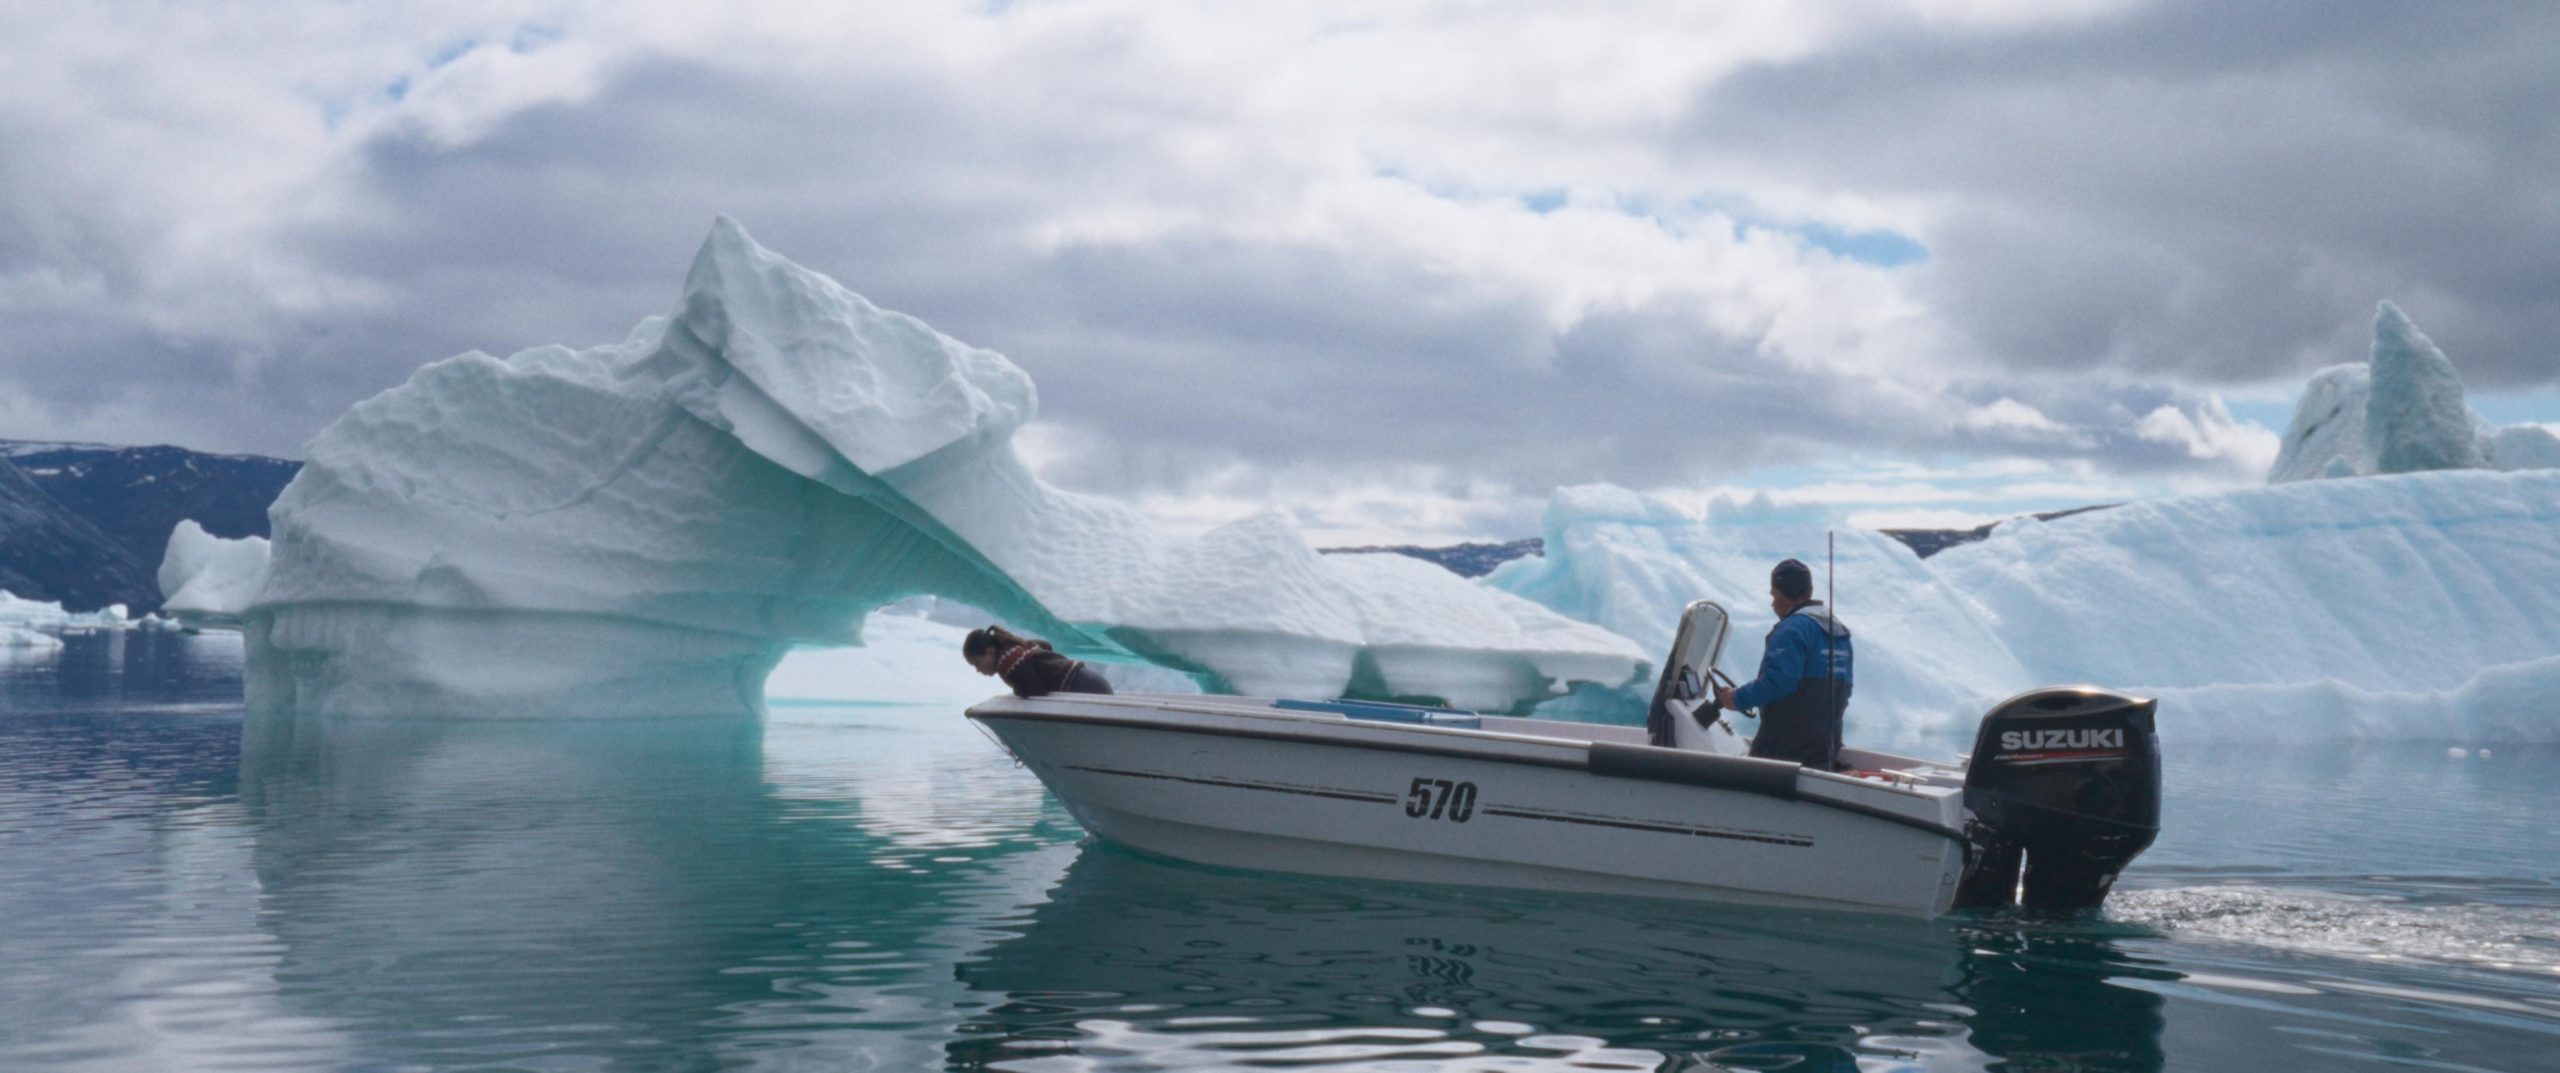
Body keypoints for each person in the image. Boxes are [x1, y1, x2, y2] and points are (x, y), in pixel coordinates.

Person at [1714, 558, 1852, 770]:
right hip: (1823, 751)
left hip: (1783, 752)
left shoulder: (1792, 629)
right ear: (1809, 590)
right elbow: (1846, 689)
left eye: (1774, 595)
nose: (1772, 604)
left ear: (1787, 592)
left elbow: (1779, 683)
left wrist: (1736, 698)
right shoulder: (1838, 632)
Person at [963, 625, 1114, 698]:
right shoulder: (1015, 649)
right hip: (1094, 683)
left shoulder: (1009, 664)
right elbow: (1046, 646)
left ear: (990, 652)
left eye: (977, 663)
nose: (978, 670)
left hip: (1087, 689)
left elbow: (1035, 692)